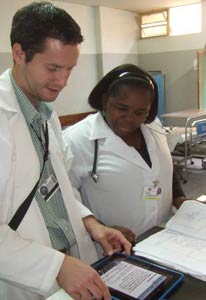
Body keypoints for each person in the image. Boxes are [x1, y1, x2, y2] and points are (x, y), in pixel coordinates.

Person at [0, 3, 131, 300]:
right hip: (22, 278)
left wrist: (92, 224)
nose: (63, 81)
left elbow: (57, 191)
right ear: (19, 53)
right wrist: (55, 266)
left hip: (69, 268)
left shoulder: (47, 116)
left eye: (70, 68)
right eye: (53, 68)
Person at [63, 63, 188, 244]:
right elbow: (63, 197)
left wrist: (179, 197)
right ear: (105, 100)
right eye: (121, 108)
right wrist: (98, 226)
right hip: (113, 247)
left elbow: (165, 167)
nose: (130, 118)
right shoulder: (76, 139)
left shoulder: (153, 126)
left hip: (162, 238)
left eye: (140, 112)